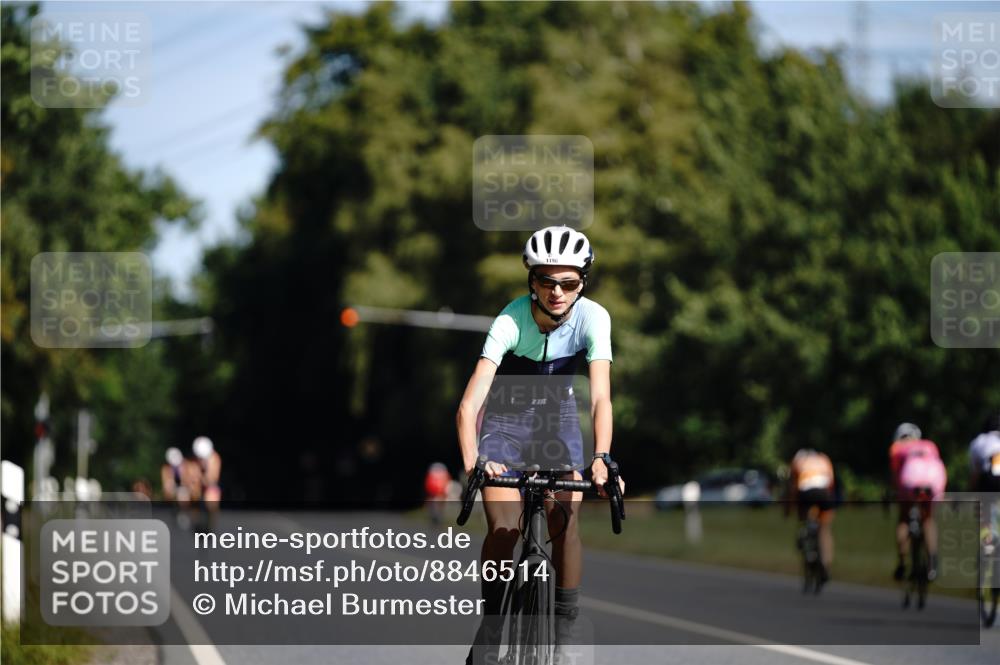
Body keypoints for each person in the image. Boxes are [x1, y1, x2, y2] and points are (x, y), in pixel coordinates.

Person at [456, 225, 622, 665]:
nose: (557, 292)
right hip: (505, 423)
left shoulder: (594, 317)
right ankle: (492, 626)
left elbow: (601, 396)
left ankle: (566, 631)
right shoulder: (510, 320)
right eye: (547, 281)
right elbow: (470, 404)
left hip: (557, 421)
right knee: (504, 529)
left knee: (564, 522)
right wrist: (474, 460)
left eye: (568, 283)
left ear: (582, 282)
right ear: (532, 281)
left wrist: (602, 456)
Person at [889, 423, 947, 582]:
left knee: (903, 519)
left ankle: (902, 562)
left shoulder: (897, 448)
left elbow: (896, 476)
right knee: (928, 520)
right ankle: (933, 563)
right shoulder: (929, 445)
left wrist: (896, 493)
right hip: (934, 481)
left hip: (910, 480)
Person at [787, 449, 836, 587]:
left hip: (806, 491)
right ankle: (826, 564)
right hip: (824, 492)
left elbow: (793, 488)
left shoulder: (798, 461)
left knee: (804, 519)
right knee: (825, 529)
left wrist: (790, 510)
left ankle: (804, 533)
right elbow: (830, 484)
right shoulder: (824, 458)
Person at [192, 436, 222, 531]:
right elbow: (191, 476)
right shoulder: (194, 460)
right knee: (192, 494)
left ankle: (210, 525)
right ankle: (196, 520)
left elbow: (212, 479)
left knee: (211, 499)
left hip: (210, 486)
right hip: (199, 486)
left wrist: (200, 479)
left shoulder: (215, 458)